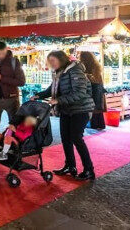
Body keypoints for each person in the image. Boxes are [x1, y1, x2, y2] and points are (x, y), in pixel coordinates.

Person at [33, 50, 95, 180]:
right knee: (65, 138)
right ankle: (70, 166)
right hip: (66, 110)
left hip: (81, 109)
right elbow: (52, 89)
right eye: (49, 62)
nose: (51, 64)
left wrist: (58, 100)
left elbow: (80, 93)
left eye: (53, 61)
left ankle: (89, 170)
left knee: (76, 138)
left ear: (61, 59)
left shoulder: (74, 70)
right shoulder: (59, 72)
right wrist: (39, 95)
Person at [78, 52, 106, 130]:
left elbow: (90, 80)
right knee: (97, 107)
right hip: (98, 89)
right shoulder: (96, 67)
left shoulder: (87, 68)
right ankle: (100, 124)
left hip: (92, 89)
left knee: (92, 107)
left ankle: (93, 124)